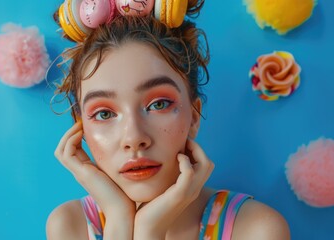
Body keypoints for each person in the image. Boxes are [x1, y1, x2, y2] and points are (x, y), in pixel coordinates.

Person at [46, 0, 291, 239]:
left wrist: (150, 231)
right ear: (81, 129)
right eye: (104, 114)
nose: (134, 138)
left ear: (194, 117)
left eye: (159, 104)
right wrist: (119, 220)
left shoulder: (256, 230)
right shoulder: (70, 226)